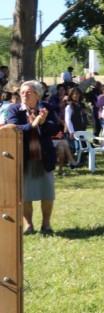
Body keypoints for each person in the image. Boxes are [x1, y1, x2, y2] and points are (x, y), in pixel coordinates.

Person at [9, 81, 59, 234]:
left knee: (47, 193)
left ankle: (46, 224)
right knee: (25, 194)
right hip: (23, 158)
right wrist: (32, 125)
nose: (24, 95)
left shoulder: (46, 107)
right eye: (22, 92)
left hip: (44, 157)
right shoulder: (14, 109)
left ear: (38, 95)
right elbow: (12, 129)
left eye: (28, 92)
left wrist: (42, 123)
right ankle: (28, 225)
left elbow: (54, 128)